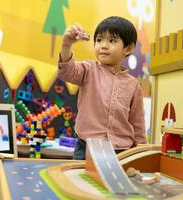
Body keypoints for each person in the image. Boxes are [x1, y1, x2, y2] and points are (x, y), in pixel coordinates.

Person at [58, 16, 146, 160]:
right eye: (99, 40)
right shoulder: (88, 70)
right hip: (87, 147)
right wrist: (66, 45)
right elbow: (67, 72)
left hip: (121, 151)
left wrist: (141, 152)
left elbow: (137, 123)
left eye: (112, 41)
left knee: (115, 182)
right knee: (81, 182)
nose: (103, 46)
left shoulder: (133, 85)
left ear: (128, 48)